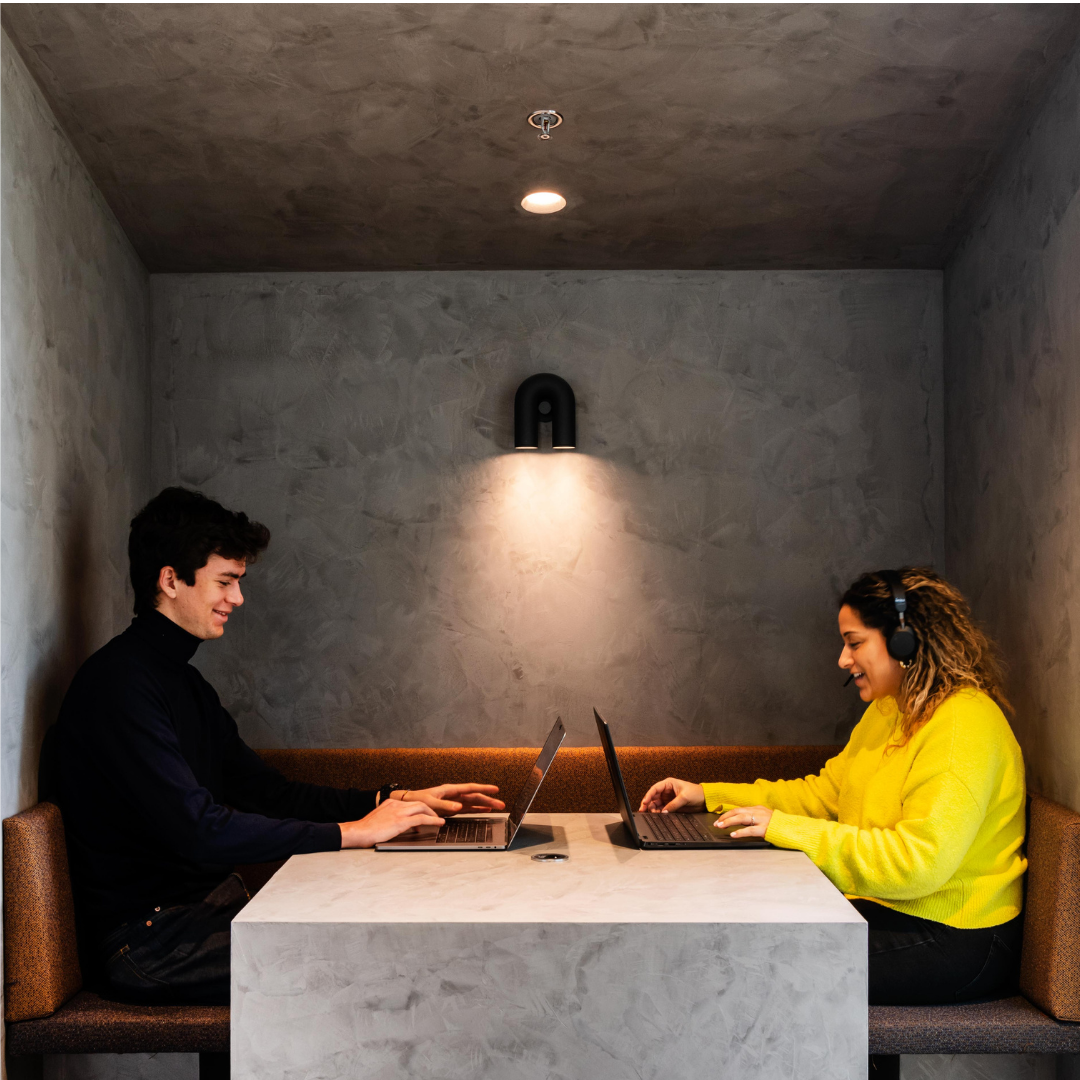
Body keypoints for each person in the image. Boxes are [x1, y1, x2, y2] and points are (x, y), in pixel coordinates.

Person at [48, 487, 505, 1006]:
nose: (237, 600)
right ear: (170, 578)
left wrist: (387, 800)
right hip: (148, 944)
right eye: (225, 582)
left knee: (396, 920)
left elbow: (267, 791)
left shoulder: (183, 684)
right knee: (382, 953)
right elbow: (199, 831)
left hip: (203, 912)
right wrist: (349, 833)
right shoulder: (120, 686)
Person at [639, 567, 1026, 1006]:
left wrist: (784, 829)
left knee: (752, 961)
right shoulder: (889, 711)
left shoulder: (963, 725)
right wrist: (709, 795)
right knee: (738, 928)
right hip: (892, 909)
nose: (843, 660)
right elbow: (822, 796)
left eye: (855, 642)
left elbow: (919, 863)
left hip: (958, 937)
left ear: (905, 640)